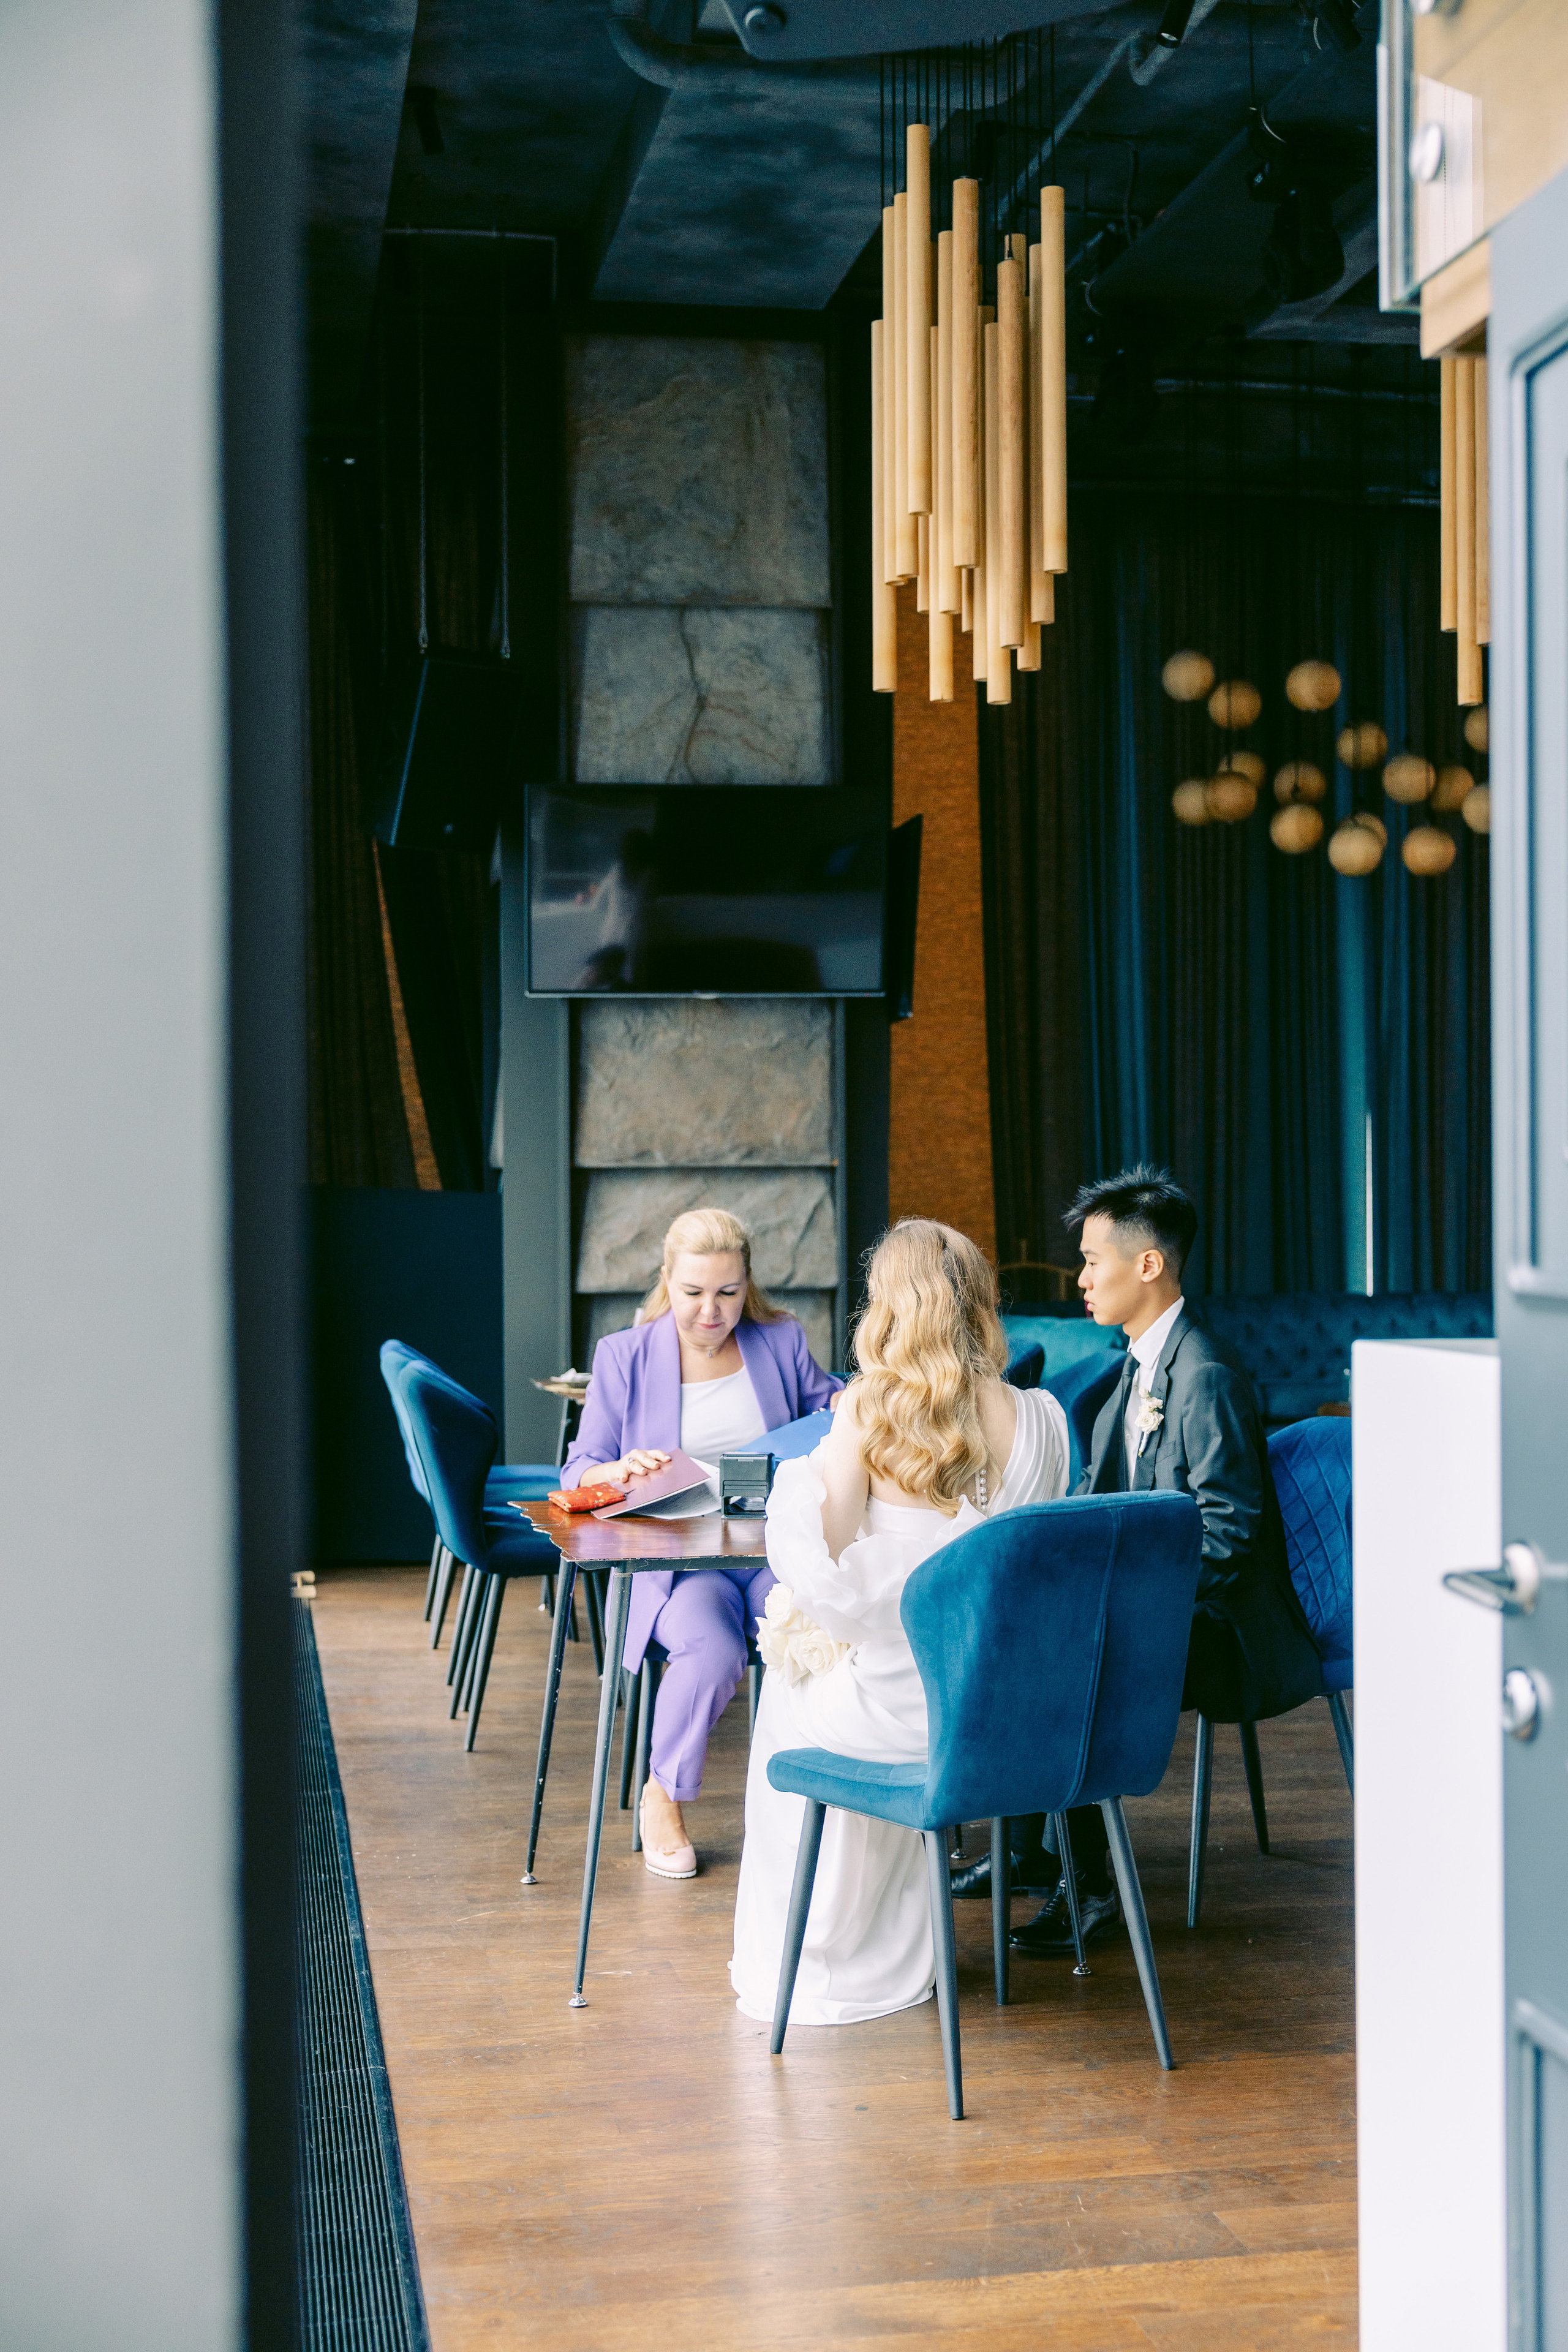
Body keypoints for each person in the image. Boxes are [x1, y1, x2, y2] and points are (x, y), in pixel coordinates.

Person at [729, 1219, 1071, 2026]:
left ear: (889, 1307)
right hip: (1006, 1711)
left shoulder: (866, 1413)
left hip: (904, 1715)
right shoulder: (1046, 1418)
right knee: (843, 1681)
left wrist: (800, 1500)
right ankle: (882, 1939)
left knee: (790, 1700)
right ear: (980, 1299)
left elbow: (831, 1569)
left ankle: (822, 1951)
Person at [980, 1165, 1322, 1958]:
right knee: (1027, 1630)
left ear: (1148, 1265)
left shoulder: (1203, 1376)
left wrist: (1128, 1605)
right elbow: (1100, 1498)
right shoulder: (1133, 1365)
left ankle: (1092, 1888)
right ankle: (1036, 1852)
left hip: (1223, 1627)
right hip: (1158, 1601)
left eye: (1094, 1259)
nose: (1081, 1278)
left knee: (1073, 1662)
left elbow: (1230, 1537)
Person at [562, 1207, 840, 1880]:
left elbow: (831, 1412)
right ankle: (662, 1793)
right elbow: (577, 1471)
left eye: (727, 1292)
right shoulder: (623, 1357)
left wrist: (848, 1409)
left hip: (774, 1553)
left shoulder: (780, 1341)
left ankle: (829, 1813)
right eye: (692, 1293)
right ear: (666, 1281)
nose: (710, 1312)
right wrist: (613, 1470)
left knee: (831, 1637)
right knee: (711, 1651)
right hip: (684, 1569)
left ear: (748, 1284)